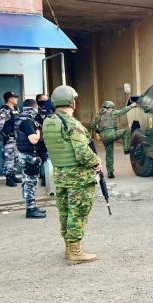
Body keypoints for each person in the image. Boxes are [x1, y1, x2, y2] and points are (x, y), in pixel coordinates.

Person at [42, 85, 101, 265]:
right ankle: (75, 251)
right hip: (78, 177)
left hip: (60, 174)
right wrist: (96, 162)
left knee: (65, 211)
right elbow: (82, 152)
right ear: (71, 102)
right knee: (78, 212)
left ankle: (68, 247)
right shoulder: (72, 124)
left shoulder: (49, 121)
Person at [15, 99, 47, 219]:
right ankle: (30, 209)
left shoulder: (20, 118)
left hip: (25, 154)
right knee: (30, 183)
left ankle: (32, 206)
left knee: (28, 182)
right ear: (34, 108)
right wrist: (38, 131)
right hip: (29, 156)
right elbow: (33, 139)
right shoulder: (27, 121)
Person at [90, 99, 137, 178]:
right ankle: (126, 149)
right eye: (112, 107)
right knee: (125, 132)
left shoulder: (99, 114)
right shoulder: (112, 112)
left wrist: (99, 131)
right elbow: (123, 111)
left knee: (109, 154)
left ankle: (110, 172)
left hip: (104, 138)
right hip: (112, 134)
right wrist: (132, 105)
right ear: (110, 107)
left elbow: (92, 125)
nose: (113, 109)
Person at [0, 91, 21, 187]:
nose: (16, 99)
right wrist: (3, 138)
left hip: (16, 138)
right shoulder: (3, 110)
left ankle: (13, 175)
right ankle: (8, 178)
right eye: (15, 97)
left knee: (15, 158)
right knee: (8, 159)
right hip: (8, 139)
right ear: (10, 99)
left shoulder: (16, 109)